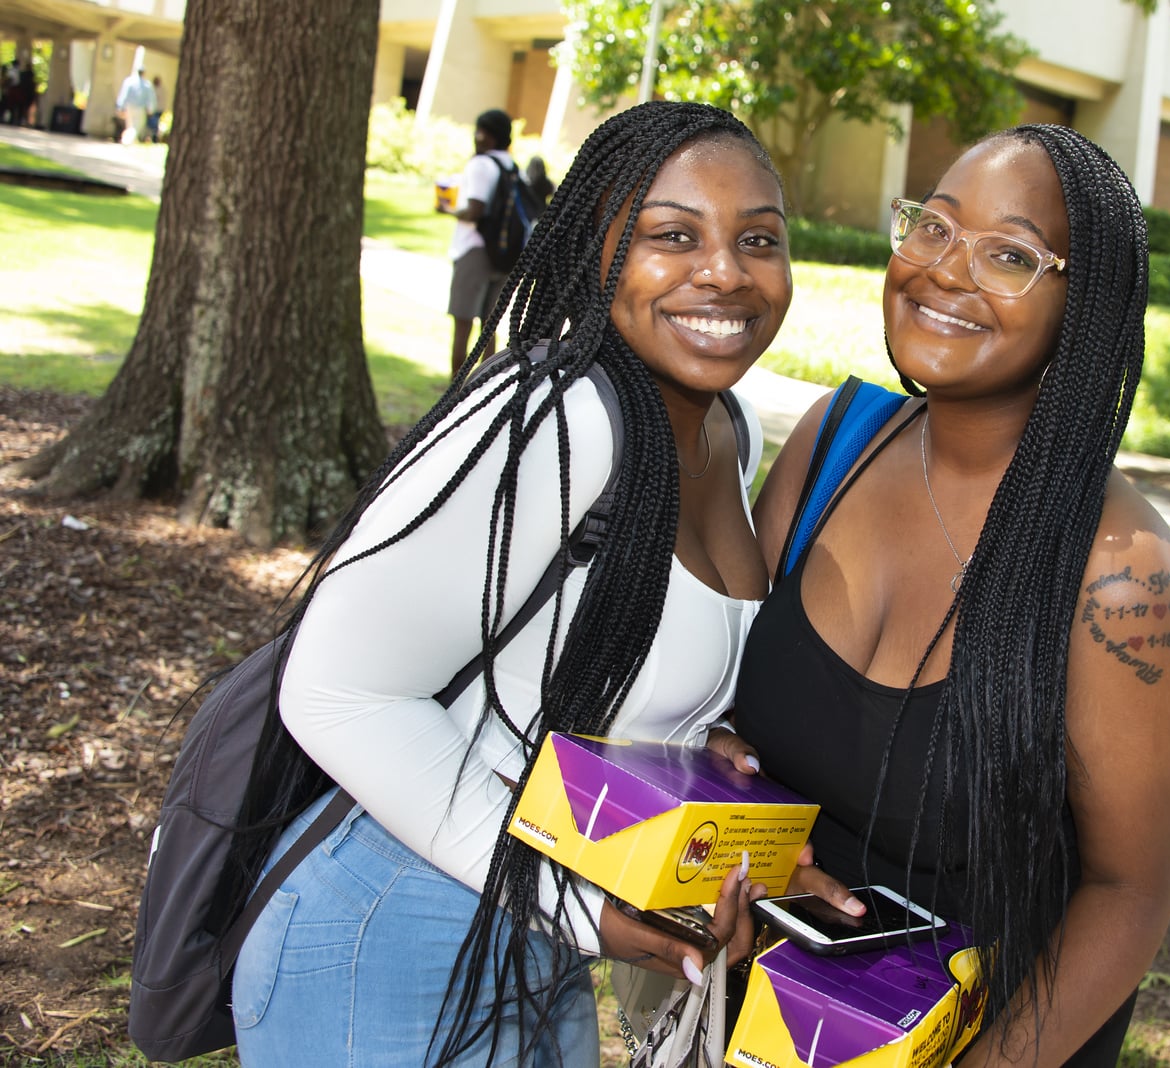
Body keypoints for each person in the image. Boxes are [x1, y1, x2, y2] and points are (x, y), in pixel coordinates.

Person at [224, 100, 790, 1065]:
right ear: (596, 249)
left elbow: (577, 663)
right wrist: (575, 905)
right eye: (672, 235)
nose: (726, 271)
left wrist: (700, 739)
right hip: (393, 934)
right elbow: (337, 692)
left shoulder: (727, 429)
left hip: (536, 937)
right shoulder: (561, 418)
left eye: (759, 240)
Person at [736, 126, 1170, 1064]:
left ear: (1087, 310)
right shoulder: (833, 442)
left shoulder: (1122, 579)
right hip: (766, 1016)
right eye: (933, 228)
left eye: (1009, 255)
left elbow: (1131, 895)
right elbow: (738, 714)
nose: (943, 272)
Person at [439, 108, 519, 377]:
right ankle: (488, 386)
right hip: (504, 253)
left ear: (490, 136)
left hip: (475, 249)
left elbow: (474, 210)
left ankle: (455, 392)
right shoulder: (510, 165)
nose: (476, 136)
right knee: (489, 326)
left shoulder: (481, 164)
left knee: (462, 324)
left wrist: (448, 210)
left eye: (480, 131)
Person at [116, 66, 155, 144]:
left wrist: (120, 106)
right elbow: (151, 99)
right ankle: (127, 140)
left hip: (130, 107)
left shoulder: (129, 82)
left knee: (131, 125)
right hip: (140, 109)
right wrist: (151, 109)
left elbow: (123, 95)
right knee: (136, 126)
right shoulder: (147, 85)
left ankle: (130, 140)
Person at [146, 75, 164, 142]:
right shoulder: (154, 89)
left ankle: (156, 138)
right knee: (154, 125)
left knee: (155, 125)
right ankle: (155, 137)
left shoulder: (158, 90)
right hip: (156, 110)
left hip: (157, 110)